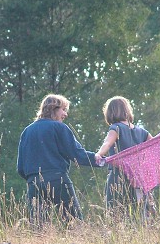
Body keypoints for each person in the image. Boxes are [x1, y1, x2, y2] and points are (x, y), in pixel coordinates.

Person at [17, 94, 99, 224]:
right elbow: (77, 154)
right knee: (75, 223)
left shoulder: (27, 131)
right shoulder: (59, 127)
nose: (65, 114)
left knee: (38, 228)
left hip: (34, 183)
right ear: (53, 109)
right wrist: (100, 160)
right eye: (63, 109)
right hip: (57, 180)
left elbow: (20, 167)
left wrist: (34, 179)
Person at [94, 96, 160, 215]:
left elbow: (107, 143)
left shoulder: (115, 128)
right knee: (139, 217)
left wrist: (99, 154)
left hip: (119, 178)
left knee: (116, 215)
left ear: (110, 113)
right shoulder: (142, 132)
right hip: (139, 181)